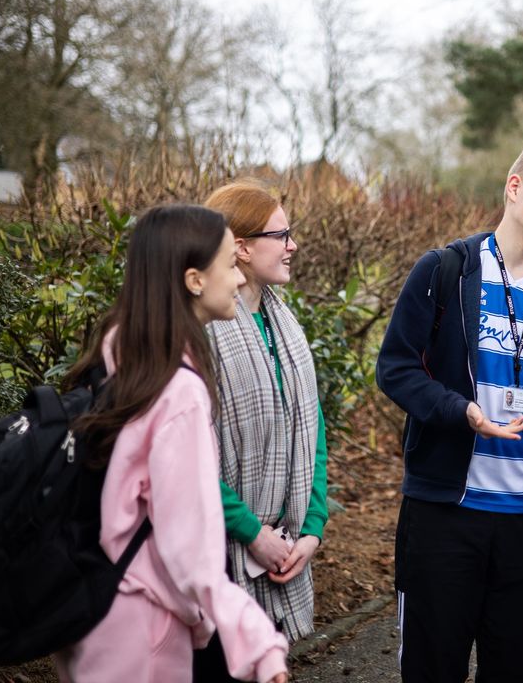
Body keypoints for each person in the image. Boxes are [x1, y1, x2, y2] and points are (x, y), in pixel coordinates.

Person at [376, 141, 523, 683]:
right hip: (445, 515)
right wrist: (462, 412)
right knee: (433, 668)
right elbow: (397, 368)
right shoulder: (445, 270)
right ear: (514, 187)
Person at [54, 204, 289, 683]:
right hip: (145, 626)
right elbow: (191, 549)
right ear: (194, 279)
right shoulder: (177, 389)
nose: (240, 280)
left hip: (97, 607)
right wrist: (261, 645)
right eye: (229, 264)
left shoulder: (122, 352)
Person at [192, 181, 329, 680]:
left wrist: (311, 529)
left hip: (287, 544)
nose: (293, 244)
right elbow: (189, 460)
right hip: (220, 559)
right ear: (242, 247)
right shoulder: (200, 332)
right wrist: (251, 533)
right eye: (282, 234)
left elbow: (313, 433)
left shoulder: (285, 324)